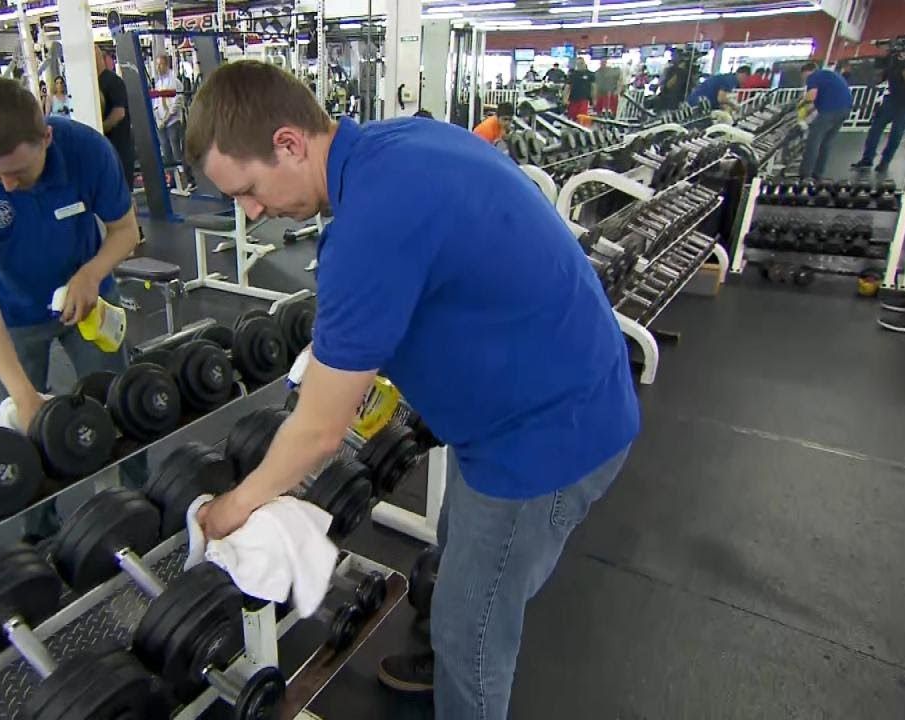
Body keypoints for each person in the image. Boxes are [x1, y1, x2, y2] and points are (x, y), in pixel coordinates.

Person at [184, 61, 638, 720]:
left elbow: (318, 432)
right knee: (456, 547)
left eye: (248, 190)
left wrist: (233, 507)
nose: (250, 215)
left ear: (288, 143)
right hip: (550, 398)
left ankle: (460, 672)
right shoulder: (401, 145)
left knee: (471, 628)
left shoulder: (368, 225)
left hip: (546, 440)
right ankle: (443, 662)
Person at [0, 78, 139, 430]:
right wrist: (24, 396)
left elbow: (126, 232)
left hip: (90, 302)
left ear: (46, 137)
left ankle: (135, 484)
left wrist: (91, 274)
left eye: (17, 172)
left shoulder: (87, 150)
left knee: (121, 412)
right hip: (12, 316)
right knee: (24, 427)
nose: (7, 185)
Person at [853, 45, 905, 173]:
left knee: (895, 135)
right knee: (875, 130)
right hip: (891, 100)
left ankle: (884, 162)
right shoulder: (893, 64)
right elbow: (879, 79)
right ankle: (868, 159)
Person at [799, 61, 854, 180]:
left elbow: (811, 96)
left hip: (830, 111)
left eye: (802, 76)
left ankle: (805, 174)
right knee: (826, 143)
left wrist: (801, 111)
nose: (803, 80)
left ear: (806, 72)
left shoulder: (813, 76)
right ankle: (818, 173)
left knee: (813, 142)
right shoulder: (830, 74)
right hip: (845, 110)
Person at [149, 54, 191, 189]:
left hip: (172, 122)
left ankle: (187, 180)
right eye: (157, 64)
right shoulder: (159, 82)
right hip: (160, 122)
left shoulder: (175, 81)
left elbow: (176, 104)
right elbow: (155, 101)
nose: (158, 67)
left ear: (166, 64)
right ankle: (173, 181)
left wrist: (166, 119)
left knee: (176, 152)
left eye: (160, 64)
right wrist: (158, 118)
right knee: (166, 154)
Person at [98, 50, 136, 190]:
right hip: (104, 149)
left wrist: (100, 128)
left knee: (124, 193)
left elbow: (119, 113)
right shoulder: (93, 83)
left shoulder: (113, 81)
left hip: (119, 147)